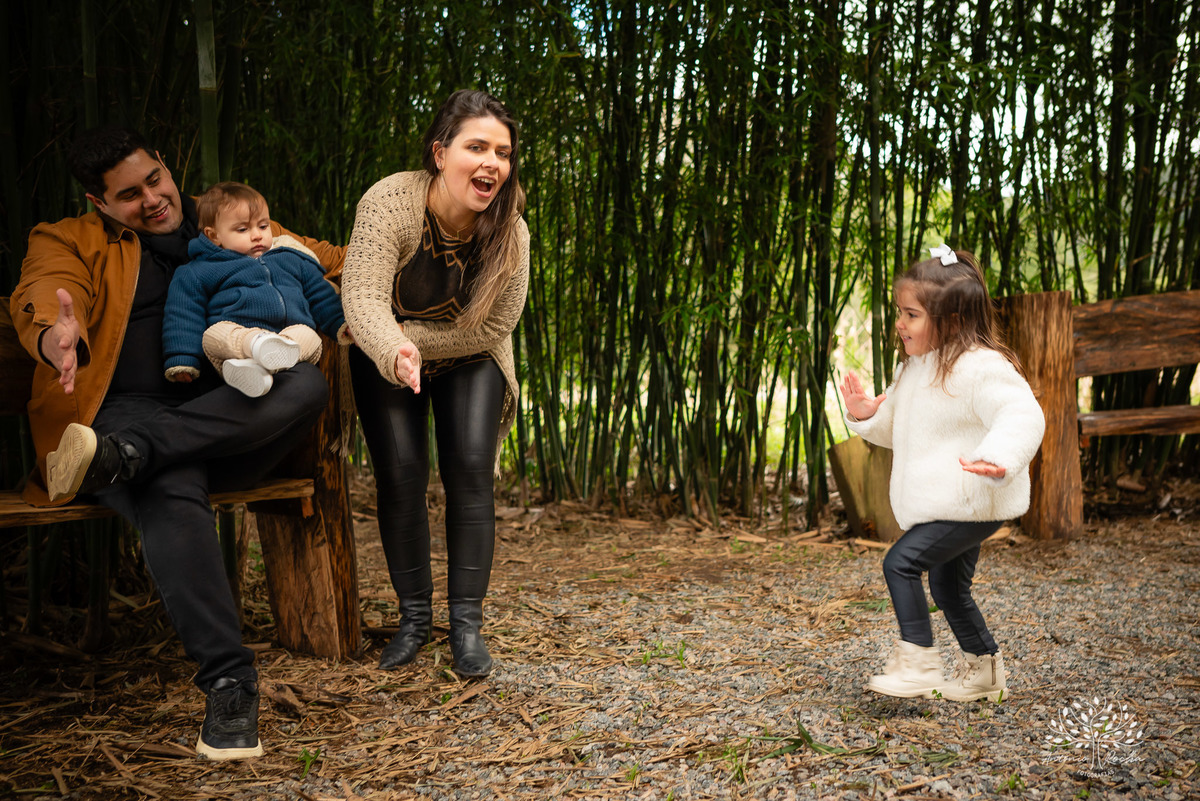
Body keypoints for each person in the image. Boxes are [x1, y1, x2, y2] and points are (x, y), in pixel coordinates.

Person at [10, 125, 345, 759]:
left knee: (303, 383)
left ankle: (128, 458)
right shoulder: (68, 239)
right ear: (99, 203)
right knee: (168, 481)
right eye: (129, 194)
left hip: (221, 411)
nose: (154, 199)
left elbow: (321, 255)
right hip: (123, 411)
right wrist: (56, 333)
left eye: (155, 179)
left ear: (167, 165)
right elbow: (45, 293)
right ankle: (229, 683)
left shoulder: (222, 217)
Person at [340, 90, 529, 679]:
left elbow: (497, 323)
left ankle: (466, 627)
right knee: (401, 476)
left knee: (470, 472)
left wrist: (413, 341)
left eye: (502, 152)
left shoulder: (509, 229)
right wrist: (392, 347)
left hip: (472, 351)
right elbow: (362, 296)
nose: (491, 164)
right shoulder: (390, 202)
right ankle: (414, 620)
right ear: (440, 153)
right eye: (476, 147)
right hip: (385, 345)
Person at [837, 244, 1044, 702]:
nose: (899, 324)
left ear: (950, 320)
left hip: (973, 495)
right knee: (949, 589)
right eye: (899, 312)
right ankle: (985, 672)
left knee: (900, 562)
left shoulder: (981, 367)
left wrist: (1001, 455)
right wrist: (868, 413)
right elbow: (906, 429)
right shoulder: (916, 368)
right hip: (947, 500)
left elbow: (1022, 414)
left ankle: (918, 662)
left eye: (911, 315)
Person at [162, 181, 349, 397]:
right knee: (213, 334)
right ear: (214, 236)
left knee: (309, 336)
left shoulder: (290, 258)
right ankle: (257, 349)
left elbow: (321, 295)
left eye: (263, 226)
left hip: (287, 339)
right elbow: (183, 312)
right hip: (237, 349)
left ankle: (262, 369)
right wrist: (182, 358)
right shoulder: (200, 270)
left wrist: (341, 323)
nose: (257, 235)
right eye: (243, 229)